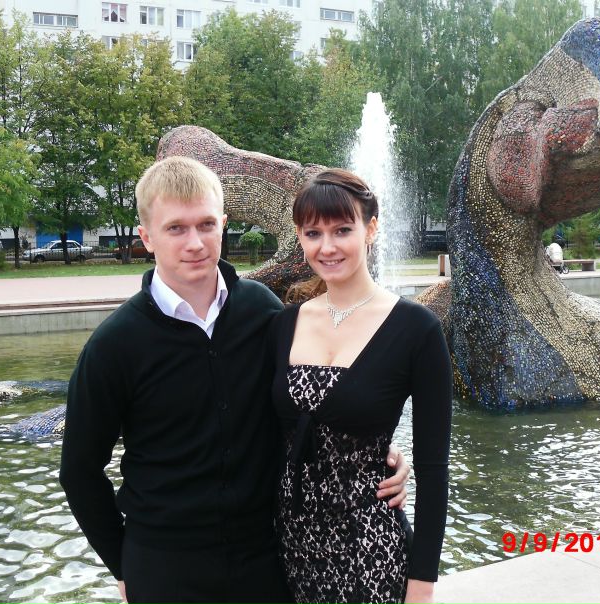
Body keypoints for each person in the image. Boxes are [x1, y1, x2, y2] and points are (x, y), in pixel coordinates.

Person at [58, 156, 410, 604]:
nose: (195, 243)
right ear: (146, 238)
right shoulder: (114, 345)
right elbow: (80, 471)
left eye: (206, 224)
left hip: (266, 558)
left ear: (223, 225)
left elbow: (308, 406)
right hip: (165, 567)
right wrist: (122, 563)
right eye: (175, 228)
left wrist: (375, 453)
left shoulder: (262, 312)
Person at [269, 169, 452, 604]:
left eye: (342, 230)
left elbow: (433, 469)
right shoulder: (283, 325)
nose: (327, 247)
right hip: (287, 550)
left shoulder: (416, 329)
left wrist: (422, 584)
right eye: (313, 233)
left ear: (370, 229)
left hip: (370, 551)